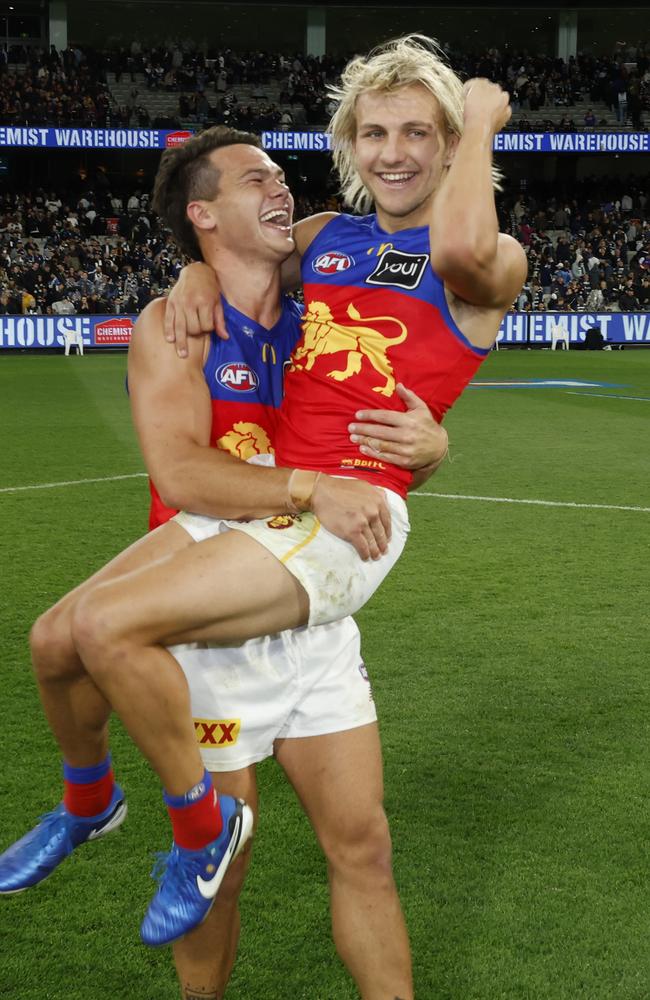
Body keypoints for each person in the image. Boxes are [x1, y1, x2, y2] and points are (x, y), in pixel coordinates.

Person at [3, 33, 527, 950]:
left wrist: (482, 117)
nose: (393, 151)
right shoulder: (329, 237)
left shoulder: (492, 256)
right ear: (349, 143)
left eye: (417, 132)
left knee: (106, 629)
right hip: (273, 507)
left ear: (448, 143)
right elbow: (244, 260)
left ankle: (199, 829)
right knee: (55, 635)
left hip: (347, 508)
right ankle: (90, 801)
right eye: (372, 132)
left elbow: (462, 240)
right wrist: (191, 266)